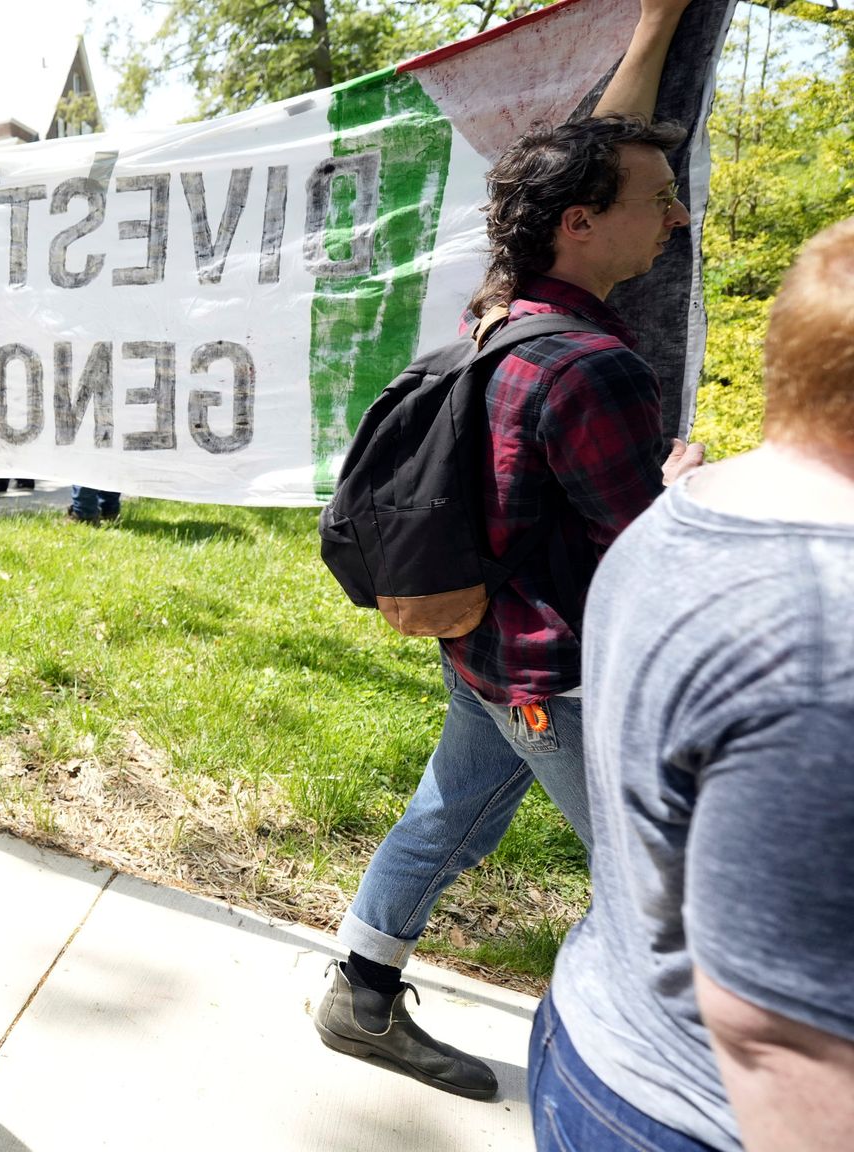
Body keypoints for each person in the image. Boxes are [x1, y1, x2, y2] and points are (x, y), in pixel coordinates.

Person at [315, 0, 706, 1099]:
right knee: (660, 883)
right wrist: (681, 493)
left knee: (444, 813)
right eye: (656, 203)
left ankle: (359, 989)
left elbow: (577, 165)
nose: (672, 220)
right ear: (578, 225)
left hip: (483, 643)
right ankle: (622, 1083)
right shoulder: (589, 368)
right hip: (556, 676)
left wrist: (649, 35)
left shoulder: (495, 318)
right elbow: (642, 556)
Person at [532, 219, 854, 1152]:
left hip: (597, 1029)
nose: (676, 216)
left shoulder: (688, 511)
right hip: (695, 1114)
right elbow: (780, 1036)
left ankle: (368, 968)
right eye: (656, 197)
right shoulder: (821, 630)